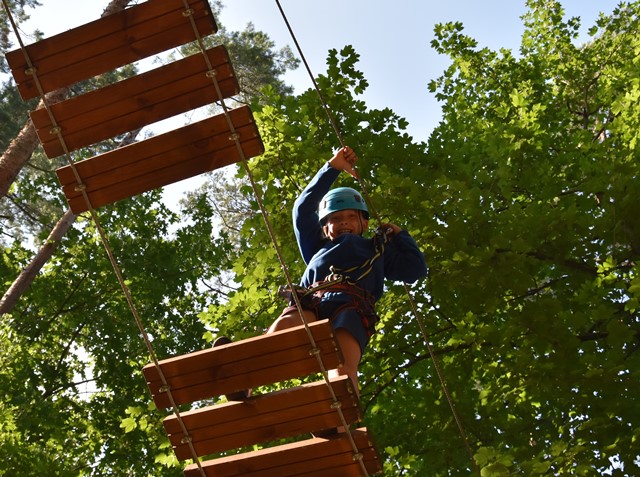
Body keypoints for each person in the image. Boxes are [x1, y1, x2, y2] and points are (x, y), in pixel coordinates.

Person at [265, 146, 428, 400]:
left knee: (342, 359)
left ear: (364, 223)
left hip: (353, 307)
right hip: (313, 299)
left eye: (351, 217)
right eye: (335, 218)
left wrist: (399, 235)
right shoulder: (316, 247)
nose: (343, 222)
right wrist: (332, 167)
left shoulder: (377, 250)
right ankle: (245, 376)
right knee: (288, 325)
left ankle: (341, 406)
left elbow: (414, 269)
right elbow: (302, 209)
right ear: (325, 228)